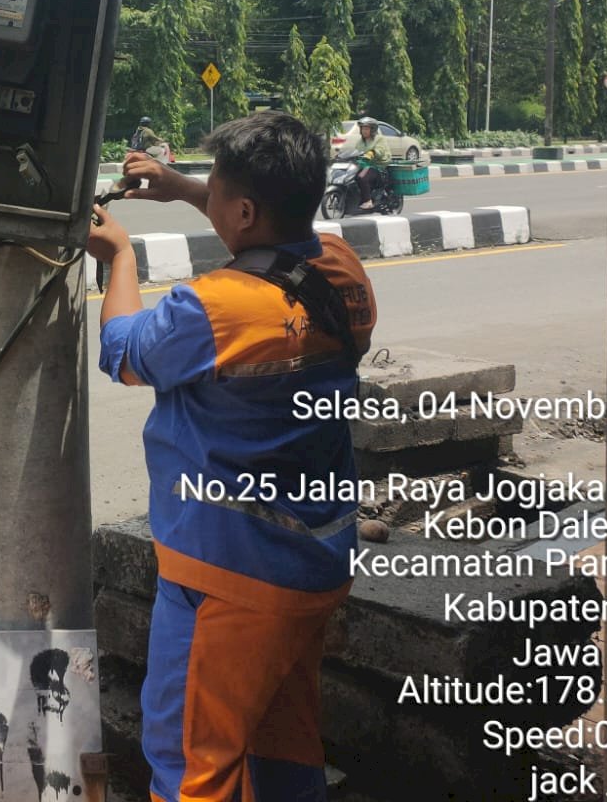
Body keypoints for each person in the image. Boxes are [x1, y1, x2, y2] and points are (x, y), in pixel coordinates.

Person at [86, 110, 377, 802]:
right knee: (283, 743)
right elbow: (275, 234)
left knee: (193, 764)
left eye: (215, 189)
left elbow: (124, 351)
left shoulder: (212, 310)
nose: (206, 194)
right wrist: (184, 187)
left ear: (242, 210)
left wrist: (119, 256)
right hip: (313, 562)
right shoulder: (344, 273)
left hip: (228, 575)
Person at [353, 117, 389, 211]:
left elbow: (380, 150)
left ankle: (368, 201)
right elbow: (356, 151)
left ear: (372, 129)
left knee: (362, 177)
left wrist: (372, 152)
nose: (364, 131)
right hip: (365, 166)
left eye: (366, 128)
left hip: (377, 167)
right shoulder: (361, 141)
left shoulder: (379, 139)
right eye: (362, 128)